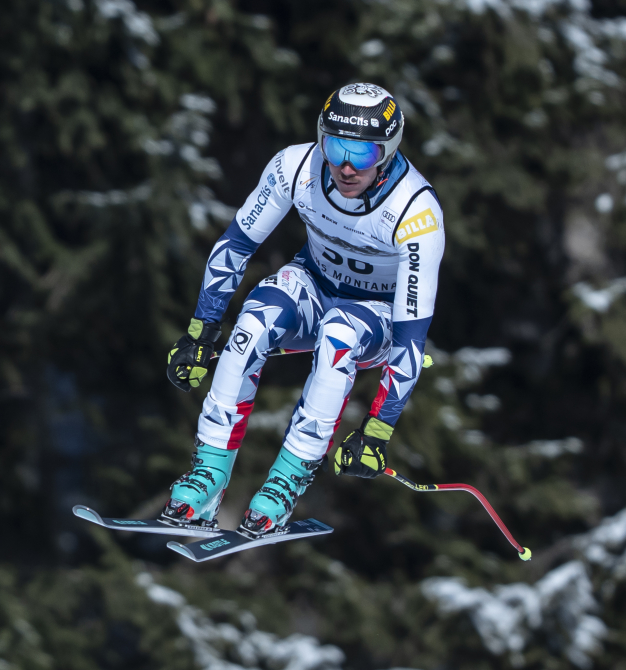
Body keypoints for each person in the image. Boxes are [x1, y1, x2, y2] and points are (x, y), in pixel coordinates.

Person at [163, 82, 445, 537]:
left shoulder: (416, 213)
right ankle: (208, 475)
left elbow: (412, 340)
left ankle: (285, 481)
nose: (346, 166)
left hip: (374, 316)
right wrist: (201, 331)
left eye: (364, 154)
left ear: (388, 152)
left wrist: (378, 430)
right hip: (312, 285)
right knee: (253, 321)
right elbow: (235, 245)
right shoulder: (295, 166)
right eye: (335, 146)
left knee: (340, 332)